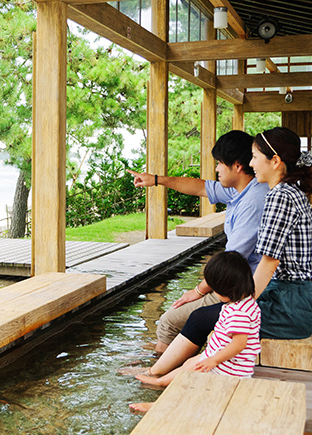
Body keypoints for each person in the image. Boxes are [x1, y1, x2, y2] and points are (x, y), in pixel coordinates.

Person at [131, 126, 312, 387]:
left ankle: (157, 376)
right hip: (290, 297)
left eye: (255, 157)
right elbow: (203, 188)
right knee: (206, 318)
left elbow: (269, 263)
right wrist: (157, 179)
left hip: (291, 306)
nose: (251, 164)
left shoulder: (278, 197)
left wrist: (241, 308)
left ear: (274, 161)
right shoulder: (285, 191)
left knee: (205, 318)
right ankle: (161, 372)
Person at [127, 130, 268, 354]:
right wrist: (156, 180)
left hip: (243, 288)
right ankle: (165, 356)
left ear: (237, 165)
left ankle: (158, 370)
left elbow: (231, 263)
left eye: (220, 163)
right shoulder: (240, 189)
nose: (217, 169)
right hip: (236, 282)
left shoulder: (253, 202)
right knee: (178, 320)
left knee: (169, 320)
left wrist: (198, 290)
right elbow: (201, 187)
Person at [129, 251, 261, 414]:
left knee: (190, 385)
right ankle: (162, 381)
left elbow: (240, 343)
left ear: (223, 290)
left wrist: (213, 360)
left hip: (228, 369)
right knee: (189, 364)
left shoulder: (238, 313)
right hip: (220, 358)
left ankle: (159, 405)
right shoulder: (243, 302)